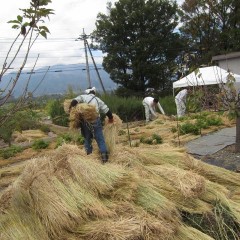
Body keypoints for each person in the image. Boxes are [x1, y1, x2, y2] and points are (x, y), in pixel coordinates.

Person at [69, 87, 113, 163]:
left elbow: (74, 102)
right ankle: (105, 160)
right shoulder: (98, 100)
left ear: (87, 92)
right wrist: (111, 118)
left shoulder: (83, 97)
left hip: (85, 122)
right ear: (94, 93)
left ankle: (89, 159)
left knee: (87, 139)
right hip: (96, 121)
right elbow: (107, 110)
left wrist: (71, 109)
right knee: (100, 140)